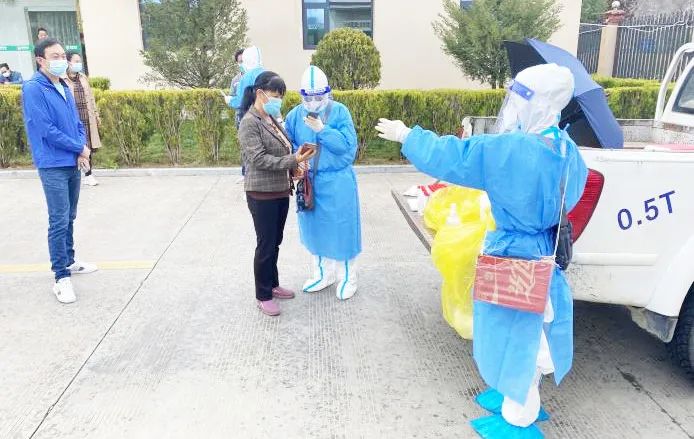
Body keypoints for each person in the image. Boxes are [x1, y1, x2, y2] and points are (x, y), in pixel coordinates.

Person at [376, 63, 588, 438]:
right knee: (532, 326)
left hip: (513, 254)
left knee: (514, 335)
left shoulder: (511, 149)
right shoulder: (566, 148)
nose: (513, 106)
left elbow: (454, 155)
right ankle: (514, 394)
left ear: (536, 103)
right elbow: (567, 196)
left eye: (519, 98)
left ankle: (520, 415)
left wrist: (407, 135)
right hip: (544, 251)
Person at [22, 38, 98, 304]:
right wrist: (79, 147)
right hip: (52, 163)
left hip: (71, 160)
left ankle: (69, 260)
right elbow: (45, 129)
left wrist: (81, 149)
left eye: (63, 55)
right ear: (40, 60)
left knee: (70, 216)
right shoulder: (33, 88)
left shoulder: (63, 84)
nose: (61, 60)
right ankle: (60, 277)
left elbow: (76, 122)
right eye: (55, 56)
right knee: (58, 219)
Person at [238, 71, 315, 317]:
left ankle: (273, 284)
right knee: (266, 244)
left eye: (281, 96)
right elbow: (259, 159)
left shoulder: (270, 118)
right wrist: (293, 160)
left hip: (280, 190)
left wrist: (295, 167)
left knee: (275, 242)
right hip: (261, 193)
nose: (278, 100)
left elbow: (283, 148)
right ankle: (263, 295)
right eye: (275, 95)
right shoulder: (249, 122)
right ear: (260, 93)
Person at [284, 66, 362, 300]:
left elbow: (347, 147)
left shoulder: (340, 112)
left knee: (342, 229)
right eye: (308, 98)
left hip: (338, 181)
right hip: (310, 182)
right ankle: (322, 274)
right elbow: (289, 145)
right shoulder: (294, 115)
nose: (313, 102)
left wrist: (323, 130)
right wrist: (296, 161)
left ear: (327, 93)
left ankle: (348, 277)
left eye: (319, 97)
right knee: (314, 230)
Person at [65, 51, 102, 186]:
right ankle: (76, 175)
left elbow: (91, 98)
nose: (78, 64)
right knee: (77, 146)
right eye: (76, 61)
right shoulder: (62, 79)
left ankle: (88, 174)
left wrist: (96, 115)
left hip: (87, 117)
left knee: (88, 146)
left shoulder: (83, 77)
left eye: (79, 61)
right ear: (68, 62)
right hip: (72, 119)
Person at [229, 48, 245, 127]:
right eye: (240, 62)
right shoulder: (235, 80)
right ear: (237, 63)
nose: (242, 64)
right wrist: (230, 100)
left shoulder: (256, 77)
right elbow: (232, 97)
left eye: (244, 61)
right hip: (240, 118)